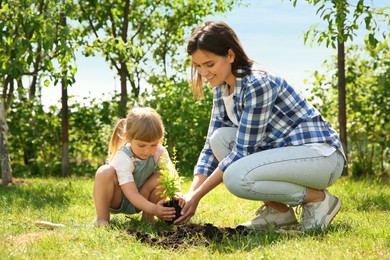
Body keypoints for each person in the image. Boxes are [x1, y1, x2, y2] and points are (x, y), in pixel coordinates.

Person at [174, 21, 346, 231]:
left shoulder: (257, 84)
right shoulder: (222, 88)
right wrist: (190, 193)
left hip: (321, 157)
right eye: (198, 66)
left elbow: (242, 152)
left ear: (230, 55)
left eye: (209, 64)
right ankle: (279, 213)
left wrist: (198, 196)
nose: (203, 72)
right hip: (288, 155)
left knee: (236, 178)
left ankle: (318, 200)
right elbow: (211, 147)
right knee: (219, 138)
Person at [93, 107, 184, 227]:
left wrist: (177, 193)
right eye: (142, 145)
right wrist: (155, 209)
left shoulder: (159, 152)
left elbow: (171, 174)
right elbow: (132, 194)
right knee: (104, 171)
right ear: (128, 137)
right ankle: (102, 219)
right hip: (118, 198)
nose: (147, 150)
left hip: (142, 198)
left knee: (163, 176)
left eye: (153, 144)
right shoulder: (124, 157)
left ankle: (147, 217)